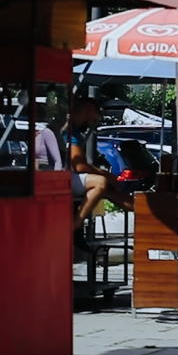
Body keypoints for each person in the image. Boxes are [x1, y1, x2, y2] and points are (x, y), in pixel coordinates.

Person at [66, 98, 135, 250]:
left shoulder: (73, 130)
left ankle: (140, 208)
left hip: (65, 175)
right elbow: (79, 166)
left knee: (107, 188)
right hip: (58, 176)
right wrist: (108, 176)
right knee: (100, 182)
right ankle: (74, 227)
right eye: (94, 119)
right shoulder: (70, 130)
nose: (92, 123)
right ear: (88, 112)